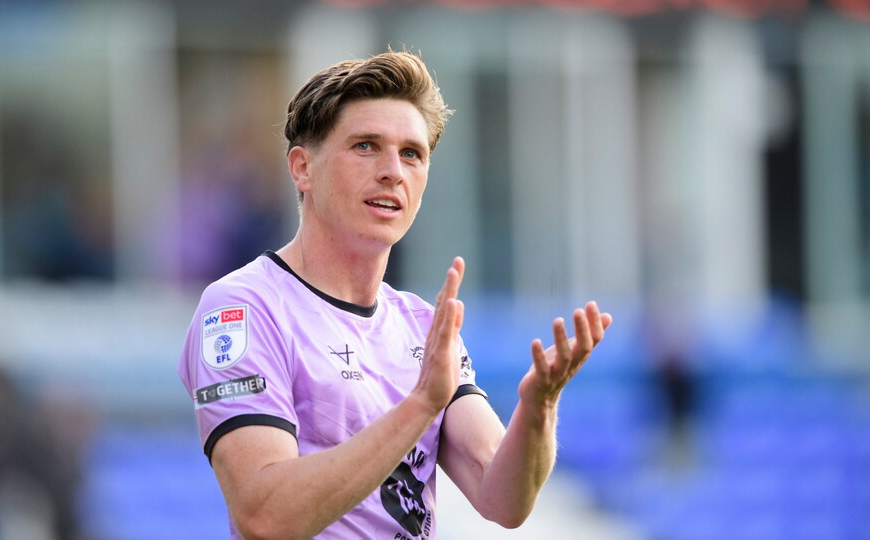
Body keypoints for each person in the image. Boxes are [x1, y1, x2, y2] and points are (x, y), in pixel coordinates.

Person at [178, 50, 612, 540]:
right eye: (366, 146)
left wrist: (538, 408)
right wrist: (421, 405)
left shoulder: (421, 323)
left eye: (412, 153)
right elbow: (265, 516)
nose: (393, 171)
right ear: (302, 168)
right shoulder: (242, 308)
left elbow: (502, 499)